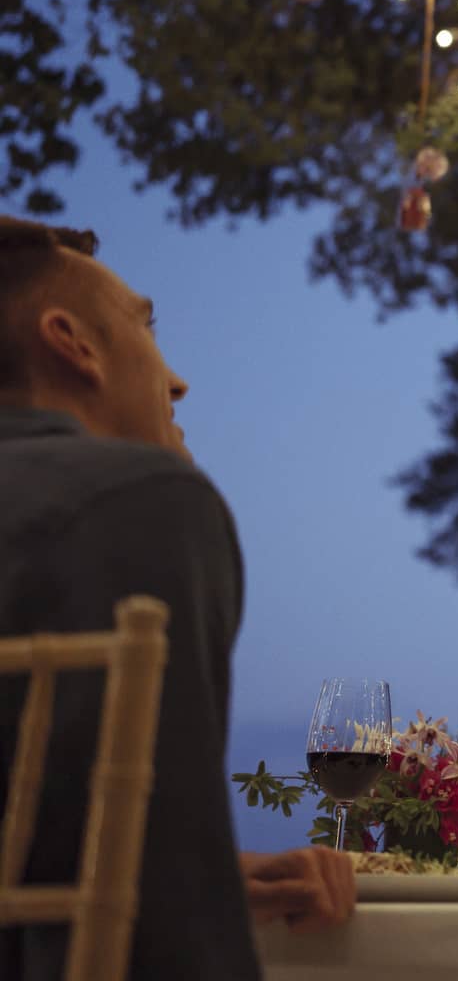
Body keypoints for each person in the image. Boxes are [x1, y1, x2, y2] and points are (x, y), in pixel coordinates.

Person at [0, 216, 355, 981]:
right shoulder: (136, 501)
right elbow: (166, 936)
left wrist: (210, 871)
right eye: (145, 328)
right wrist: (184, 884)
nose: (177, 380)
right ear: (73, 343)